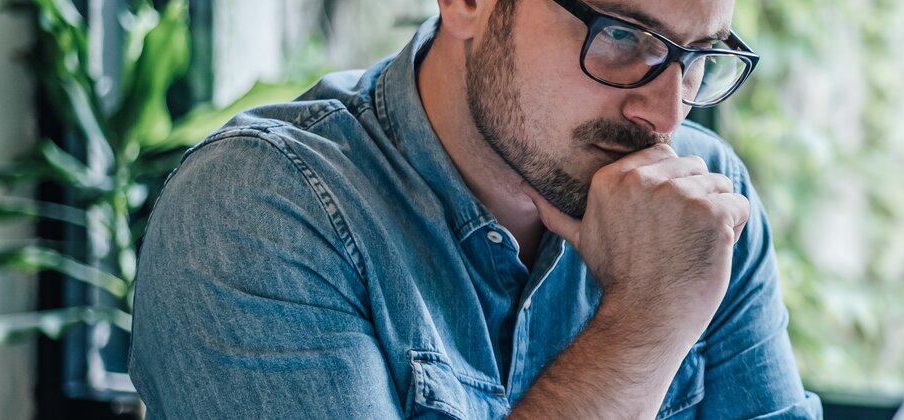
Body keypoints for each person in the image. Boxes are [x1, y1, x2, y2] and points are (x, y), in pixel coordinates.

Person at [128, 0, 820, 418]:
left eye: (699, 57)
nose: (666, 113)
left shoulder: (704, 202)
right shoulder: (259, 208)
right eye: (618, 33)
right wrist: (645, 323)